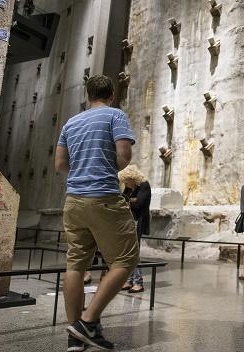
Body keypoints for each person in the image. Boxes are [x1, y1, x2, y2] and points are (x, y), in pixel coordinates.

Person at [55, 75, 139, 351]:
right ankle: (88, 322)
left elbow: (59, 163)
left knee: (75, 264)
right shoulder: (115, 115)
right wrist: (102, 169)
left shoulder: (71, 123)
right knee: (126, 260)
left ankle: (74, 336)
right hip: (103, 197)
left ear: (87, 94)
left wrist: (81, 172)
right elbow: (124, 156)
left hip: (73, 201)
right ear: (112, 94)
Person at [118, 165, 151, 293]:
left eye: (126, 181)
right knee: (128, 252)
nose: (125, 184)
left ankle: (138, 282)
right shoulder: (130, 187)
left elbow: (139, 204)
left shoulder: (144, 185)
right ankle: (129, 280)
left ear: (132, 178)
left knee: (134, 252)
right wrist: (130, 200)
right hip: (129, 222)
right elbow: (122, 199)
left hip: (139, 221)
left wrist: (129, 201)